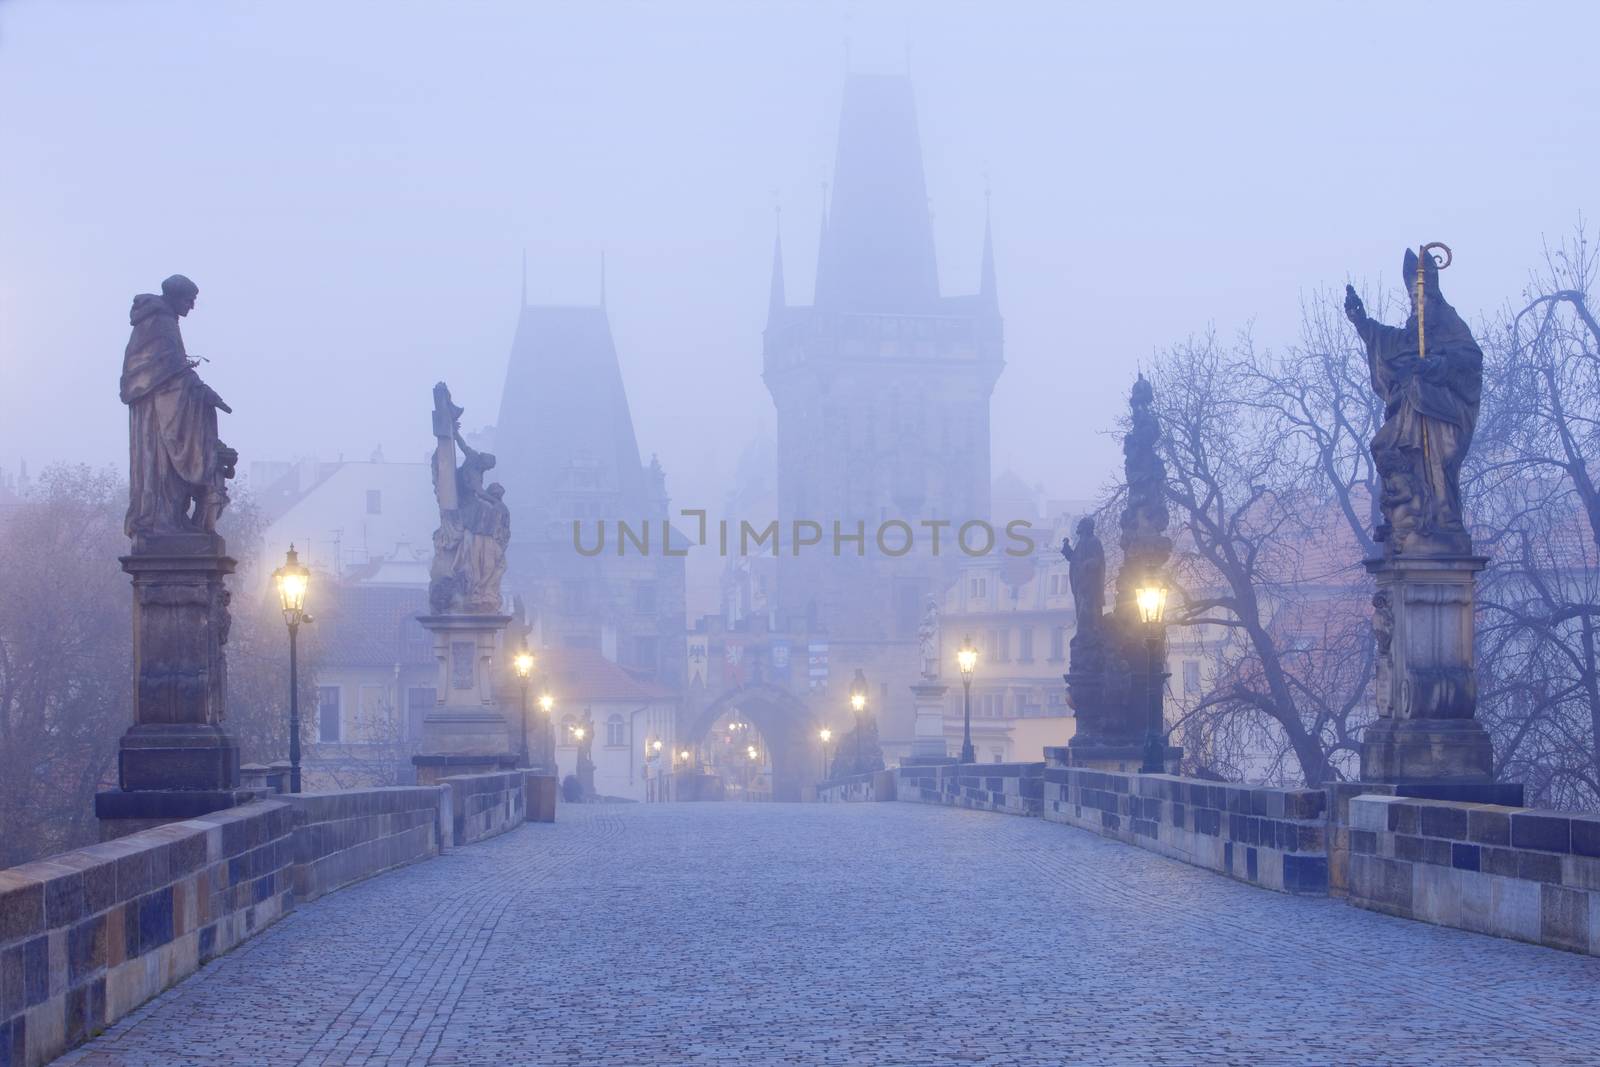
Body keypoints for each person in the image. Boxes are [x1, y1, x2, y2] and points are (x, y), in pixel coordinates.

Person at [120, 275, 234, 539]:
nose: (192, 306)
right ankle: (161, 520)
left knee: (166, 470)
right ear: (175, 297)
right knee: (159, 465)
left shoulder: (164, 320)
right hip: (156, 413)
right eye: (189, 300)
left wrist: (199, 390)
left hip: (165, 405)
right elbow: (165, 369)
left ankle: (169, 518)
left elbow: (172, 366)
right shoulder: (159, 321)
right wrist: (201, 391)